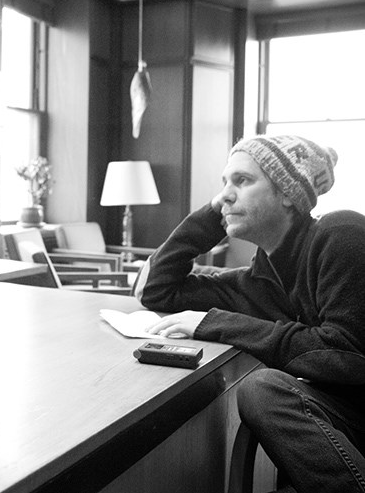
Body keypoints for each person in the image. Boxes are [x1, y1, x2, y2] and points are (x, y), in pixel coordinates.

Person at [134, 135, 365, 493]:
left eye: (242, 181)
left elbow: (348, 356)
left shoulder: (341, 234)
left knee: (263, 386)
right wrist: (216, 214)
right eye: (224, 183)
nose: (225, 193)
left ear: (288, 194)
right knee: (263, 390)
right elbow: (155, 289)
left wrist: (217, 322)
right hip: (341, 425)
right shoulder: (258, 281)